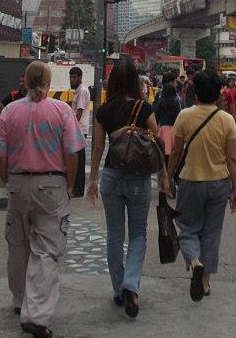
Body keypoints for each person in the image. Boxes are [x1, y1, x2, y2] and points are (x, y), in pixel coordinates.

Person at [0, 61, 83, 338]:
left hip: (17, 182)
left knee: (17, 243)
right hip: (51, 184)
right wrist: (68, 184)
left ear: (25, 82)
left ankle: (19, 299)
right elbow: (72, 153)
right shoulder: (61, 110)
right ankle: (37, 314)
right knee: (46, 250)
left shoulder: (10, 111)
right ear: (49, 83)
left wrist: (9, 180)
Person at [86, 58, 170, 318]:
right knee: (137, 234)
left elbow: (98, 148)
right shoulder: (144, 108)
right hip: (139, 179)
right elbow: (157, 144)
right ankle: (131, 286)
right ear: (136, 80)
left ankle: (118, 289)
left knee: (114, 235)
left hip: (111, 174)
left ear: (111, 82)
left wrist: (92, 179)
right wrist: (164, 176)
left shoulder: (104, 110)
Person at [168, 70, 236, 301]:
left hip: (190, 181)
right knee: (212, 233)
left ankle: (194, 261)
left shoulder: (185, 116)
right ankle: (205, 282)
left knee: (188, 228)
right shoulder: (226, 119)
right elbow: (232, 159)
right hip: (219, 183)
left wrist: (168, 176)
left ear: (196, 93)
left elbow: (176, 151)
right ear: (217, 92)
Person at [69, 66, 90, 197]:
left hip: (79, 130)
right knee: (77, 159)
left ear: (80, 77)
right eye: (70, 77)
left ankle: (78, 190)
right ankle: (77, 189)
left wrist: (72, 127)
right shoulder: (78, 90)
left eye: (74, 77)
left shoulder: (82, 90)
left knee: (79, 161)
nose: (71, 80)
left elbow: (80, 111)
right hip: (78, 129)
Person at [154, 72, 181, 159]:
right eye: (175, 82)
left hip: (162, 131)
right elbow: (179, 116)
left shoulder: (159, 96)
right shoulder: (177, 99)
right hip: (174, 130)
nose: (176, 84)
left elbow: (155, 114)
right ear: (170, 82)